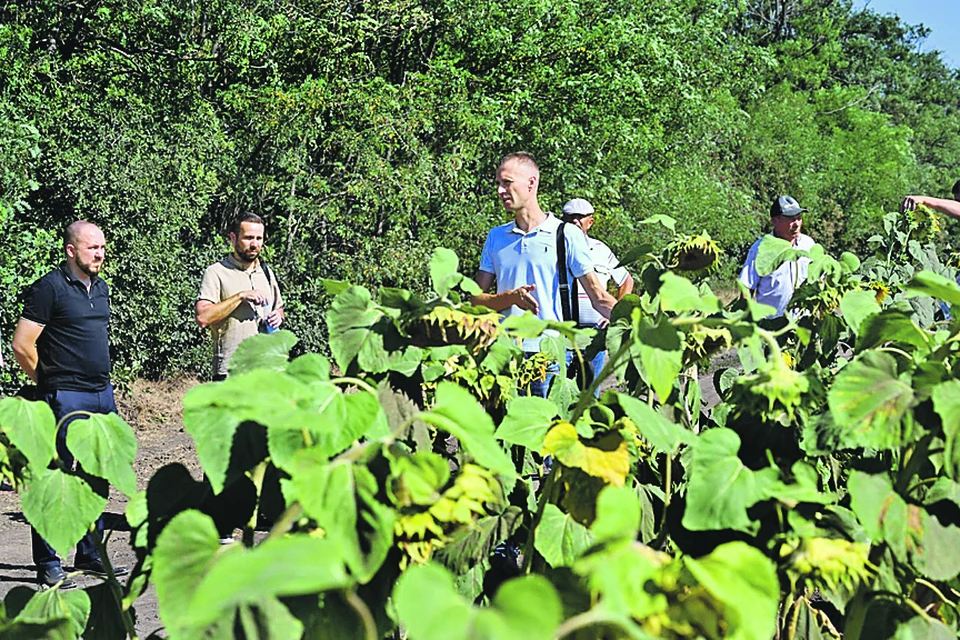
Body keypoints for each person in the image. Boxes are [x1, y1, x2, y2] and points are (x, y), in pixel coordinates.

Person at [12, 221, 129, 589]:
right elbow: (22, 344)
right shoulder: (49, 288)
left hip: (101, 394)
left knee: (95, 476)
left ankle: (89, 552)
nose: (100, 253)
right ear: (70, 250)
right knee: (55, 479)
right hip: (63, 396)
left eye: (102, 247)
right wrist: (49, 385)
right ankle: (48, 563)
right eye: (92, 247)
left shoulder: (102, 289)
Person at [472, 152, 617, 397]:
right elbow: (474, 300)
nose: (499, 190)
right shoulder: (496, 237)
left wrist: (640, 324)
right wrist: (510, 298)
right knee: (506, 434)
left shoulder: (565, 235)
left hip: (550, 358)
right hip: (504, 358)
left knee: (550, 431)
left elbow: (599, 297)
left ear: (531, 183)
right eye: (497, 183)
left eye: (506, 182)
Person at [196, 213, 284, 382]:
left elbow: (279, 308)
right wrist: (241, 296)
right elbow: (203, 317)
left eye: (259, 238)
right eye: (248, 238)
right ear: (233, 238)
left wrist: (278, 317)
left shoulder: (266, 272)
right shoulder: (216, 272)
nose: (254, 244)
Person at [560, 198, 633, 390]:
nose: (575, 221)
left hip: (593, 334)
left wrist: (615, 316)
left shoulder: (601, 250)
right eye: (570, 217)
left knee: (589, 396)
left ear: (590, 222)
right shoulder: (553, 249)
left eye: (580, 217)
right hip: (562, 334)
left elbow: (626, 280)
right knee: (559, 394)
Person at [739, 195, 816, 319]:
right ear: (775, 221)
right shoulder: (761, 248)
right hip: (771, 325)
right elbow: (746, 288)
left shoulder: (808, 244)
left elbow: (820, 279)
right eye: (791, 219)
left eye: (799, 218)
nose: (796, 224)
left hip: (803, 324)